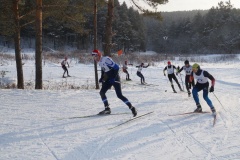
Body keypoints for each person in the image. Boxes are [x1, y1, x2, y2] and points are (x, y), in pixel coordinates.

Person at [91, 49, 137, 117]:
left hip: (115, 77)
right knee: (102, 92)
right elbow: (104, 70)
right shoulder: (100, 62)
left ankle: (132, 108)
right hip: (109, 78)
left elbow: (116, 68)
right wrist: (102, 78)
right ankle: (107, 109)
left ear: (99, 55)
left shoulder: (106, 59)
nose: (95, 59)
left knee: (119, 95)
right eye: (93, 57)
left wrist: (113, 78)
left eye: (96, 56)